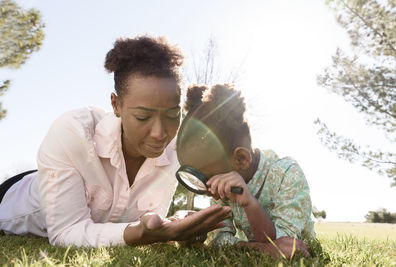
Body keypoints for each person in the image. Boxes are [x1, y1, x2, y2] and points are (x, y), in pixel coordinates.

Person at [0, 36, 231, 247]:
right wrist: (139, 234)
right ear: (116, 105)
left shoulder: (175, 148)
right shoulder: (74, 132)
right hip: (11, 201)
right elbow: (65, 232)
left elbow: (147, 223)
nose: (160, 134)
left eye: (172, 115)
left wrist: (175, 223)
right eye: (143, 117)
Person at [176, 84, 315, 258]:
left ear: (241, 159)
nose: (207, 191)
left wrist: (249, 203)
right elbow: (219, 239)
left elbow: (286, 245)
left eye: (208, 179)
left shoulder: (288, 174)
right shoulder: (218, 189)